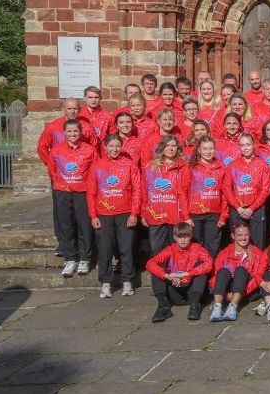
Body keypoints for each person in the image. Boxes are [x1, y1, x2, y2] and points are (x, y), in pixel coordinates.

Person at [87, 134, 141, 298]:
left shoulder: (130, 164)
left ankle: (127, 281)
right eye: (111, 146)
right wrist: (93, 215)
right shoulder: (97, 166)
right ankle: (106, 283)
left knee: (126, 249)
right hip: (103, 214)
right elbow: (91, 192)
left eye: (118, 146)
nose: (115, 149)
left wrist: (134, 213)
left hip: (125, 213)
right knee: (105, 250)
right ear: (105, 147)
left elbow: (137, 190)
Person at [48, 119, 98, 277]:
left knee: (84, 225)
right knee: (66, 224)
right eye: (69, 131)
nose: (73, 134)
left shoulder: (90, 150)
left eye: (75, 131)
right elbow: (52, 169)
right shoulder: (56, 150)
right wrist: (61, 183)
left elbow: (95, 170)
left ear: (81, 132)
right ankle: (70, 258)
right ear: (64, 133)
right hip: (63, 191)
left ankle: (84, 258)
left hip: (82, 192)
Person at [146, 221, 213, 322]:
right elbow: (150, 263)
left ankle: (195, 306)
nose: (183, 240)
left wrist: (187, 274)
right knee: (157, 270)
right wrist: (168, 276)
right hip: (174, 291)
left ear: (190, 236)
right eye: (180, 237)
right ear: (174, 237)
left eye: (186, 237)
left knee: (201, 269)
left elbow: (209, 263)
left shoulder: (197, 248)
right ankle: (163, 306)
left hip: (192, 292)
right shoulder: (171, 249)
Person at [208, 222, 266, 321]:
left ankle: (233, 307)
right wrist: (225, 294)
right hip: (226, 292)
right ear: (233, 236)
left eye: (246, 235)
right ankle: (217, 308)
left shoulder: (258, 254)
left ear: (249, 235)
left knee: (240, 270)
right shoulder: (224, 253)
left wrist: (240, 294)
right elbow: (214, 277)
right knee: (222, 271)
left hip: (246, 291)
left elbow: (258, 278)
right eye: (239, 235)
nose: (243, 238)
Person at [185, 137, 231, 257]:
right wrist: (186, 216)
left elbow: (225, 193)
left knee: (213, 246)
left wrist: (224, 215)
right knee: (196, 246)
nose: (208, 151)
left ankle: (212, 274)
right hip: (195, 213)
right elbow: (183, 192)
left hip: (214, 214)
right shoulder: (190, 167)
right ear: (199, 150)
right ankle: (198, 274)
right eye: (205, 149)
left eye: (211, 148)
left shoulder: (221, 168)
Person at [226, 133, 270, 248]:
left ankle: (257, 266)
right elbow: (227, 188)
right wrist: (238, 207)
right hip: (238, 210)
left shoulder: (262, 165)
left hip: (256, 209)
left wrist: (252, 208)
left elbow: (266, 189)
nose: (245, 148)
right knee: (238, 243)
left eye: (248, 144)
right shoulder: (232, 166)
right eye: (242, 145)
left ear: (253, 145)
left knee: (257, 243)